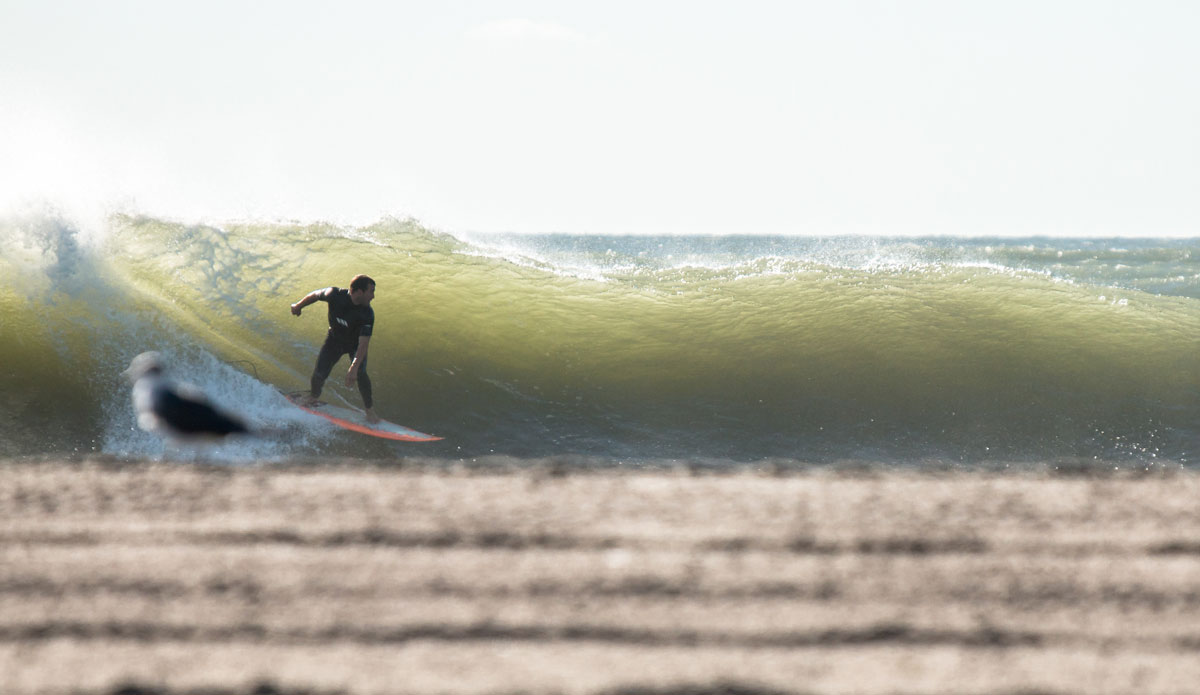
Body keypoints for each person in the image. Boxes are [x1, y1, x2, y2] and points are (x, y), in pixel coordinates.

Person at [291, 274, 381, 423]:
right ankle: (313, 396)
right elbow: (315, 295)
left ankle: (370, 411)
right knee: (319, 372)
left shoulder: (367, 314)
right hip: (335, 340)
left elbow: (364, 343)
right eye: (371, 291)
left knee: (361, 373)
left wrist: (353, 367)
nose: (373, 296)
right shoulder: (334, 294)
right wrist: (298, 306)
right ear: (359, 291)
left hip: (354, 345)